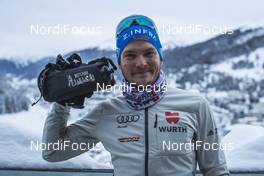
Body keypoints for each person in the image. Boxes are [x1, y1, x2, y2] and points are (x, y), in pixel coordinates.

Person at [42, 14, 229, 176]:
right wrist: (62, 101)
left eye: (149, 53)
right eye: (130, 56)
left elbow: (216, 171)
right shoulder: (106, 112)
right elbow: (52, 152)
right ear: (120, 63)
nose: (141, 63)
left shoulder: (195, 105)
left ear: (160, 58)